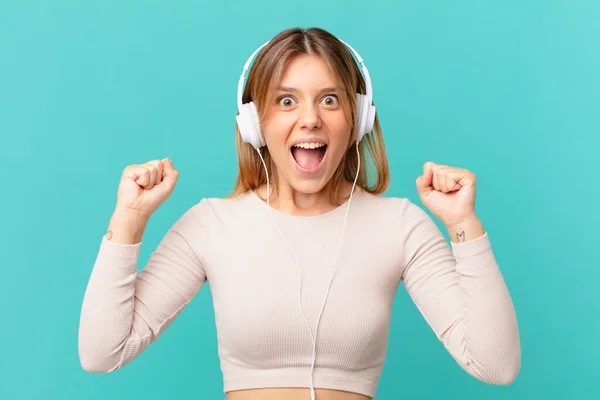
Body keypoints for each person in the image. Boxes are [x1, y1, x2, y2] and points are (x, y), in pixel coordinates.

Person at [78, 27, 521, 400]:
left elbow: (496, 365)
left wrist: (464, 225)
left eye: (329, 99)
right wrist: (129, 221)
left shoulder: (400, 226)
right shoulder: (211, 225)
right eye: (286, 101)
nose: (309, 119)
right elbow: (101, 353)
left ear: (359, 118)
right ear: (255, 124)